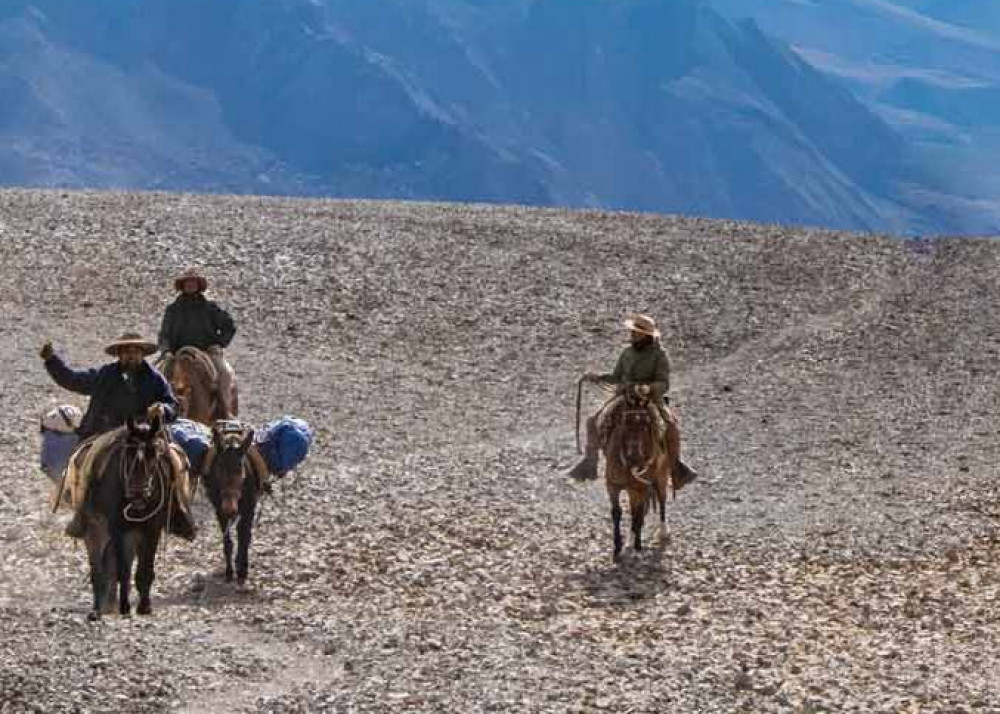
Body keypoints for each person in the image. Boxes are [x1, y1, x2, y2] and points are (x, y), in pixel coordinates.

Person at [40, 333, 196, 540]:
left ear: (142, 354)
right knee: (82, 461)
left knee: (174, 461)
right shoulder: (105, 374)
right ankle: (82, 514)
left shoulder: (155, 378)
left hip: (145, 433)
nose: (131, 355)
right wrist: (52, 361)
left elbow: (172, 403)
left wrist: (162, 409)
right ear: (119, 354)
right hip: (106, 432)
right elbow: (74, 380)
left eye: (135, 351)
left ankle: (177, 513)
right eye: (126, 351)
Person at [568, 314, 698, 487]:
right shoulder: (627, 353)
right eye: (633, 332)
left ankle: (675, 467)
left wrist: (648, 388)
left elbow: (664, 383)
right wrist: (597, 377)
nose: (632, 335)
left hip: (650, 399)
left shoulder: (659, 356)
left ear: (647, 335)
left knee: (671, 425)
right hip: (624, 395)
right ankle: (590, 462)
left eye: (637, 332)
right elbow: (617, 376)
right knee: (593, 420)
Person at [157, 268, 237, 417]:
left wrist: (218, 344)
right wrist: (166, 351)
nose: (190, 285)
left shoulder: (210, 307)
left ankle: (225, 412)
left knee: (224, 373)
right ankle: (158, 414)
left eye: (193, 282)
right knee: (159, 376)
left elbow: (229, 326)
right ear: (182, 285)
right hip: (177, 353)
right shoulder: (173, 309)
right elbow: (164, 334)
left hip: (207, 352)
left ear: (199, 285)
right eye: (187, 282)